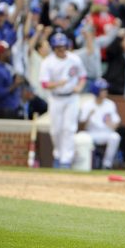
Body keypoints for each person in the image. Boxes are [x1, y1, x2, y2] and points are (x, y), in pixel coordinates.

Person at [40, 33, 87, 168]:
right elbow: (44, 84)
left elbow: (82, 76)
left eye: (63, 47)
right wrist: (57, 84)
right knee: (56, 129)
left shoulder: (74, 59)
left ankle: (66, 159)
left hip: (71, 97)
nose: (61, 50)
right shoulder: (48, 62)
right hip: (56, 97)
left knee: (69, 128)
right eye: (58, 47)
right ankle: (58, 155)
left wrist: (79, 86)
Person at [79, 79, 121, 170]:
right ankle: (87, 165)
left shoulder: (110, 104)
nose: (105, 92)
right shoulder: (88, 105)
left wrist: (112, 124)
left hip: (105, 132)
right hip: (91, 133)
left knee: (115, 137)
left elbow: (116, 122)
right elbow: (81, 125)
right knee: (82, 137)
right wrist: (88, 116)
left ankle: (107, 164)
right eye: (103, 90)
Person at [0, 41, 24, 119]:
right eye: (6, 51)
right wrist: (14, 86)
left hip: (13, 106)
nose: (9, 53)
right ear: (1, 54)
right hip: (4, 109)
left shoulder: (6, 66)